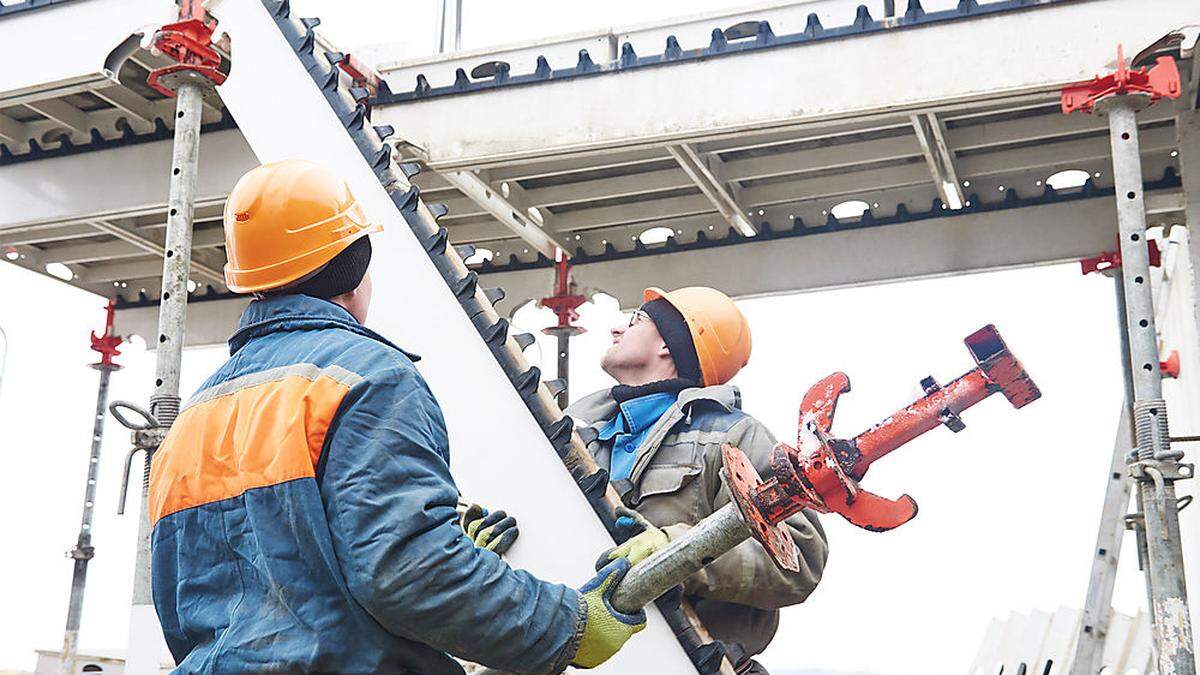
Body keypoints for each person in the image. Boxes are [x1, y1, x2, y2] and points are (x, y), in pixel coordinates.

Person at [147, 159, 655, 674]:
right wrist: (569, 623)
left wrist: (456, 553)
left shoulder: (195, 414)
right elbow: (402, 572)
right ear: (354, 266)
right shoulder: (368, 377)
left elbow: (190, 598)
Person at [567, 287, 829, 674]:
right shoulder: (576, 436)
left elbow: (801, 559)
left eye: (636, 320)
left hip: (689, 662)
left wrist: (676, 552)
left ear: (669, 346)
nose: (616, 330)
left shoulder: (731, 438)